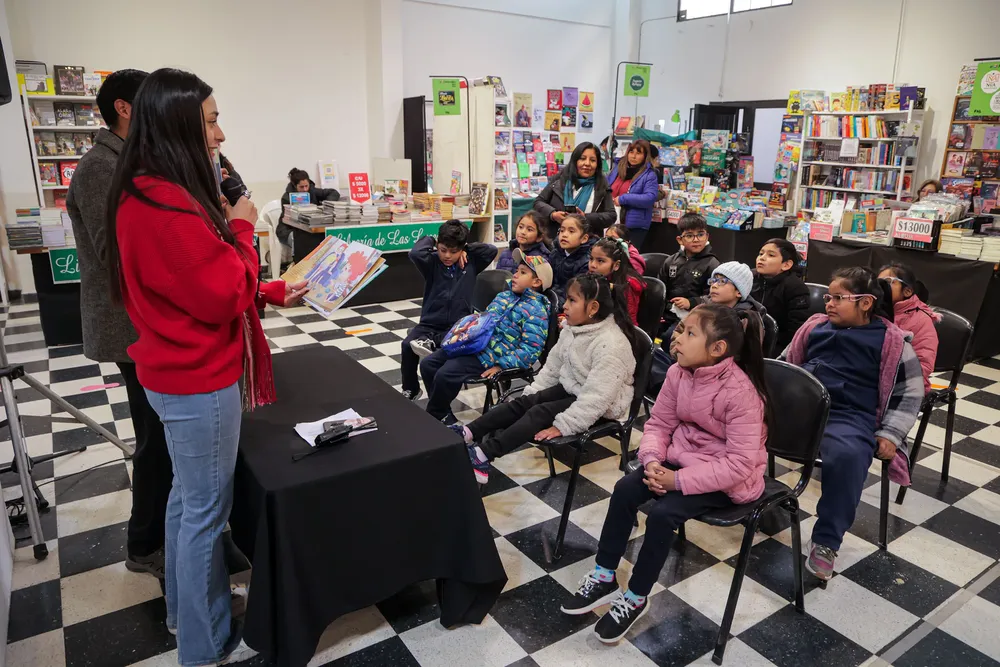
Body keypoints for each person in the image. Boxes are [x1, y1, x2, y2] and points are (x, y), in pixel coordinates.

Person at [107, 68, 311, 665]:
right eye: (211, 120)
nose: (221, 134)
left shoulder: (149, 188)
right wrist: (245, 226)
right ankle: (203, 642)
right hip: (195, 377)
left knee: (184, 501)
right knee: (205, 513)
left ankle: (183, 616)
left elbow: (195, 283)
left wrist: (266, 292)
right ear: (175, 125)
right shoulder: (165, 203)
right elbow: (219, 292)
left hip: (174, 369)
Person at [561, 304, 768, 643]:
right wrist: (654, 458)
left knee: (663, 513)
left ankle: (636, 596)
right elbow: (659, 424)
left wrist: (678, 481)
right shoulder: (677, 373)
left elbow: (739, 464)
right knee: (627, 488)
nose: (677, 337)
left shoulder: (741, 392)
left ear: (717, 349)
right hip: (683, 460)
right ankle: (604, 575)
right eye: (680, 329)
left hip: (729, 478)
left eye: (689, 333)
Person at [66, 68, 173, 579]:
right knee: (154, 437)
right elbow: (119, 254)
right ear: (125, 107)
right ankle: (144, 544)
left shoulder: (131, 160)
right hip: (131, 328)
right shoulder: (99, 168)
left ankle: (163, 530)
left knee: (165, 435)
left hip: (150, 322)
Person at [780, 267, 923, 581]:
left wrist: (891, 433)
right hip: (801, 407)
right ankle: (742, 495)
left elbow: (911, 392)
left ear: (866, 303)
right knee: (740, 424)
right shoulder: (814, 326)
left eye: (839, 298)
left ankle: (826, 541)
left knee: (849, 456)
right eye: (829, 297)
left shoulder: (892, 341)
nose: (828, 303)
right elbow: (786, 364)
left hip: (849, 416)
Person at [451, 273, 638, 484]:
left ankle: (483, 455)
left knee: (538, 412)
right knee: (524, 402)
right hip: (575, 388)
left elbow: (597, 397)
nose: (564, 306)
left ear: (593, 308)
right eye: (566, 299)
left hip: (604, 406)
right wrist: (535, 391)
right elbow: (552, 368)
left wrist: (565, 425)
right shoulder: (573, 328)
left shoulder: (612, 344)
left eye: (572, 300)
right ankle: (468, 432)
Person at [420, 252, 551, 422]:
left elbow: (531, 349)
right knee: (428, 364)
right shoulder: (503, 296)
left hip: (493, 356)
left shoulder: (537, 311)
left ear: (537, 282)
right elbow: (483, 321)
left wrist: (501, 365)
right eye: (517, 270)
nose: (516, 275)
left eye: (523, 272)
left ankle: (436, 414)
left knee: (446, 373)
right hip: (474, 344)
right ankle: (442, 411)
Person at [402, 221, 498, 400]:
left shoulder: (472, 263)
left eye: (453, 252)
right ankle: (411, 388)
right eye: (443, 249)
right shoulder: (431, 262)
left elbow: (491, 250)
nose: (447, 256)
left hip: (457, 326)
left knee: (437, 356)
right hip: (429, 323)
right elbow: (415, 253)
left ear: (461, 249)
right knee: (407, 345)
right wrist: (431, 239)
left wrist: (466, 250)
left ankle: (438, 401)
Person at [534, 141, 616, 240]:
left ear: (597, 164)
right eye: (582, 159)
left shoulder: (602, 185)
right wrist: (553, 214)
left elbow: (611, 215)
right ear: (575, 161)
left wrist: (586, 218)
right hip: (555, 241)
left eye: (593, 160)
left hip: (588, 244)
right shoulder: (560, 179)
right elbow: (538, 202)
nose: (587, 163)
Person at [878, 263, 939, 392]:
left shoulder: (921, 320)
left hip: (907, 383)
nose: (881, 287)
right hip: (875, 378)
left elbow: (923, 365)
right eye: (879, 282)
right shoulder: (874, 310)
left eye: (888, 282)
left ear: (907, 291)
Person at [657, 213, 720, 329]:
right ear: (680, 240)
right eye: (690, 236)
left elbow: (715, 298)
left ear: (707, 237)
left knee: (670, 337)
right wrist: (662, 309)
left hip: (696, 315)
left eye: (700, 235)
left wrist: (691, 302)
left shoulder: (712, 264)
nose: (696, 240)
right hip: (668, 312)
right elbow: (660, 289)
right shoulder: (670, 261)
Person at [751, 238, 810, 351]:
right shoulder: (750, 277)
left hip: (778, 346)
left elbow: (794, 331)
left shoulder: (796, 288)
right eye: (761, 253)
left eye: (771, 255)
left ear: (786, 265)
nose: (762, 258)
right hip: (751, 339)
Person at [607, 139, 660, 250]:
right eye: (631, 152)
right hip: (612, 220)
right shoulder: (618, 168)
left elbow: (649, 198)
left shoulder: (649, 174)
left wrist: (623, 199)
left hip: (634, 225)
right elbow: (606, 186)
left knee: (628, 257)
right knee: (610, 254)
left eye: (638, 153)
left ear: (645, 156)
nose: (633, 156)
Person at [276, 167, 340, 252]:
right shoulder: (286, 198)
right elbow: (289, 221)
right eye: (301, 187)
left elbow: (334, 193)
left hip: (311, 228)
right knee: (301, 241)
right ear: (295, 186)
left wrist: (325, 205)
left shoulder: (312, 191)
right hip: (289, 229)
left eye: (306, 186)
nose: (305, 189)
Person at [589, 237, 644, 325]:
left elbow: (627, 322)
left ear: (616, 265)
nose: (593, 265)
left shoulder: (627, 287)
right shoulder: (593, 278)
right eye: (591, 259)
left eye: (600, 261)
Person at [550, 214, 596, 303]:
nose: (564, 235)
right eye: (562, 230)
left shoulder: (586, 262)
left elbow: (575, 292)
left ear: (584, 238)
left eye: (571, 231)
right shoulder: (555, 254)